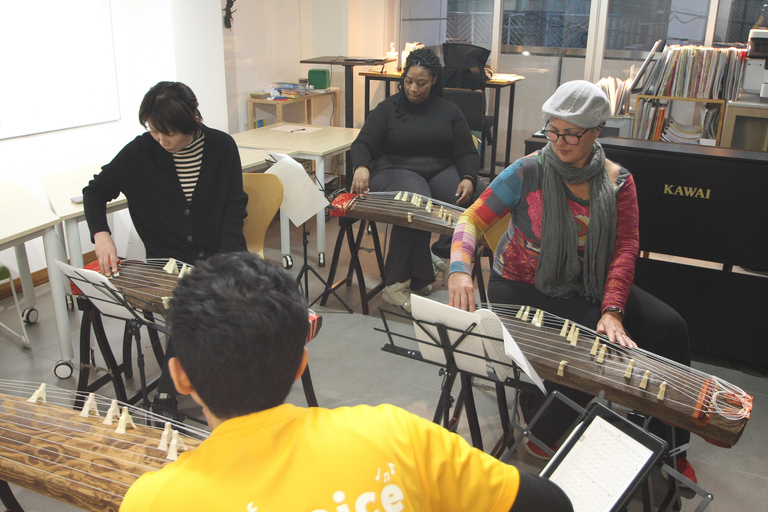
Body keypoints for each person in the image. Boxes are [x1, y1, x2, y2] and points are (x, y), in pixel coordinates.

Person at [119, 252, 573, 512]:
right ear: (301, 363)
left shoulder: (151, 501)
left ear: (180, 377)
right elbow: (550, 505)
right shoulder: (398, 436)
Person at [447, 80, 696, 483]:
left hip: (589, 282)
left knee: (670, 329)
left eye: (570, 134)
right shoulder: (528, 170)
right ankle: (551, 433)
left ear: (597, 131)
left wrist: (613, 308)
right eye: (553, 130)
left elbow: (624, 248)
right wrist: (460, 267)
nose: (558, 142)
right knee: (590, 335)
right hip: (521, 286)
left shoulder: (618, 181)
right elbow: (471, 218)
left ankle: (668, 442)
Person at [83, 81, 248, 417]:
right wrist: (101, 234)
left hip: (220, 252)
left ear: (191, 122)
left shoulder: (221, 147)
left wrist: (229, 260)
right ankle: (175, 389)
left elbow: (234, 205)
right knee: (192, 303)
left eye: (167, 133)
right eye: (153, 131)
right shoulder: (141, 152)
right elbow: (95, 191)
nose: (160, 140)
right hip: (168, 261)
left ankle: (173, 391)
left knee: (217, 299)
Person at [349, 47, 484, 311]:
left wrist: (468, 177)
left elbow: (466, 151)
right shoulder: (387, 109)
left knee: (481, 197)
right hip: (392, 170)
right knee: (415, 199)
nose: (412, 88)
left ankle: (438, 256)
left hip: (438, 170)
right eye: (408, 81)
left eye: (421, 83)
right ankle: (395, 284)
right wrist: (361, 166)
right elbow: (362, 143)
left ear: (434, 80)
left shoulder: (449, 110)